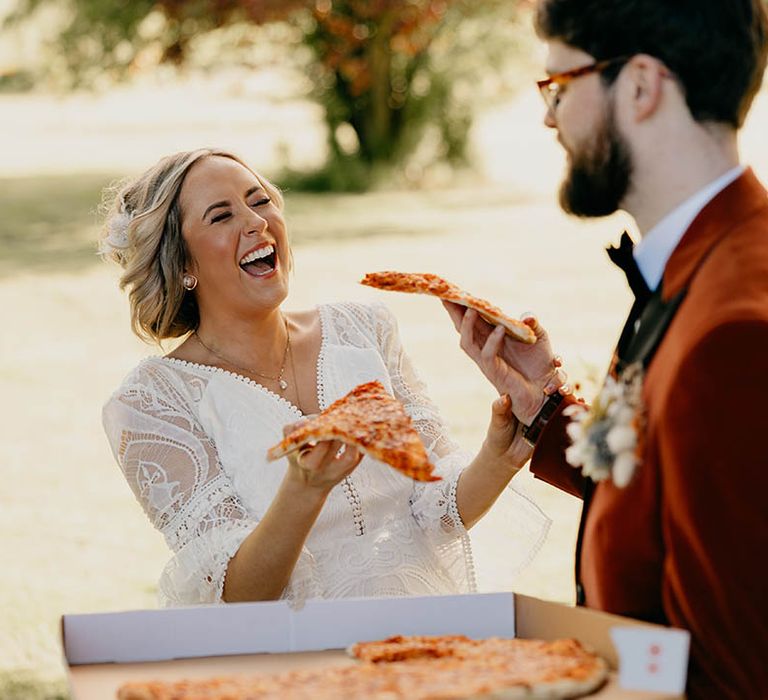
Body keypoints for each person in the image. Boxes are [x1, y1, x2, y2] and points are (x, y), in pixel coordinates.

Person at [442, 1, 768, 697]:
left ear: (642, 86)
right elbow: (677, 500)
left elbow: (734, 671)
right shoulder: (706, 260)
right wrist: (544, 410)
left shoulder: (734, 333)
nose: (547, 117)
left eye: (559, 85)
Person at [99, 148, 551, 608]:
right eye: (221, 216)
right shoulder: (150, 403)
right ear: (182, 266)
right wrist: (304, 489)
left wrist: (502, 453)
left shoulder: (363, 329)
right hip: (298, 665)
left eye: (259, 200)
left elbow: (434, 512)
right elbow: (236, 596)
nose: (255, 222)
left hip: (424, 635)